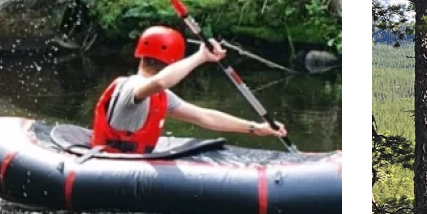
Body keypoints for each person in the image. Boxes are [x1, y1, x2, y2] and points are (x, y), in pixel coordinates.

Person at [90, 26, 287, 153]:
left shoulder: (161, 95)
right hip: (110, 166)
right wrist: (200, 57)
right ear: (176, 61)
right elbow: (159, 82)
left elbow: (204, 117)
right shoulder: (131, 86)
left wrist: (256, 128)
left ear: (140, 54)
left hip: (131, 167)